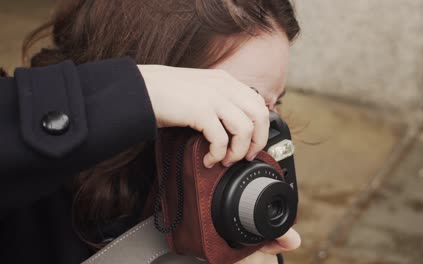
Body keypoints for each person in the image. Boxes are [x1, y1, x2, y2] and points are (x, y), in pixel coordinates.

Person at [0, 0, 301, 263]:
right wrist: (131, 94)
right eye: (236, 100)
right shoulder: (31, 204)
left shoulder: (232, 198)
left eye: (275, 104)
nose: (263, 125)